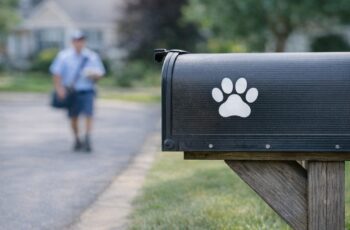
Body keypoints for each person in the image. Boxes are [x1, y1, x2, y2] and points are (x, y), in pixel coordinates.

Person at [50, 30, 106, 152]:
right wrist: (59, 88)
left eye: (81, 40)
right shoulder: (64, 56)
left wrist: (93, 75)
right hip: (72, 92)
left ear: (84, 42)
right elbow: (57, 74)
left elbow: (100, 73)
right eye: (76, 41)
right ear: (72, 42)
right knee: (74, 117)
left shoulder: (91, 56)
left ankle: (87, 138)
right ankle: (77, 138)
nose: (78, 43)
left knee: (88, 114)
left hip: (87, 90)